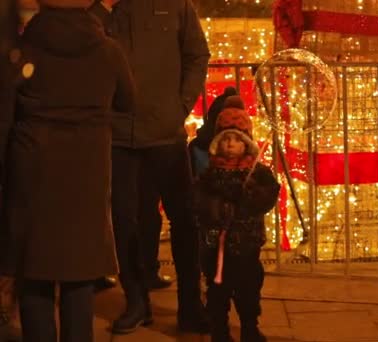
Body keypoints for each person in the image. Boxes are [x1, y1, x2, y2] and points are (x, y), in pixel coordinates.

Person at [0, 1, 135, 341]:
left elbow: (5, 112)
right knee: (79, 275)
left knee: (34, 274)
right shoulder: (108, 51)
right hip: (86, 174)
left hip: (33, 172)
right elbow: (129, 101)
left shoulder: (23, 52)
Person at [88, 0, 212, 334]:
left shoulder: (175, 6)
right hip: (118, 137)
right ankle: (136, 301)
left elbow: (197, 54)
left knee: (184, 220)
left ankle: (190, 305)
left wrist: (181, 104)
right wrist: (102, 7)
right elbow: (82, 49)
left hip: (165, 134)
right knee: (125, 221)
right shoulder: (99, 10)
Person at [196, 95, 279, 342]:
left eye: (236, 139)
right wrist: (214, 209)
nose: (230, 144)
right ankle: (219, 331)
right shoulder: (211, 173)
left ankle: (249, 327)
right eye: (225, 139)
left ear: (246, 144)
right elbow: (198, 199)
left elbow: (269, 195)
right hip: (216, 245)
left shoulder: (257, 173)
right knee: (217, 291)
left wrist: (251, 195)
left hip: (246, 244)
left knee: (248, 288)